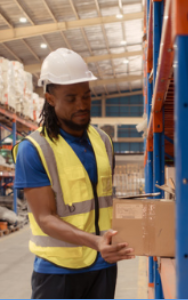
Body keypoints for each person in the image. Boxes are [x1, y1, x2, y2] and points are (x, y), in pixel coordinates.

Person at [12, 48, 134, 299]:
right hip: (58, 271)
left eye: (87, 97)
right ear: (50, 98)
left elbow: (105, 202)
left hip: (103, 265)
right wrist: (96, 242)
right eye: (71, 98)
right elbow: (45, 218)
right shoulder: (34, 149)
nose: (82, 105)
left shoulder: (103, 141)